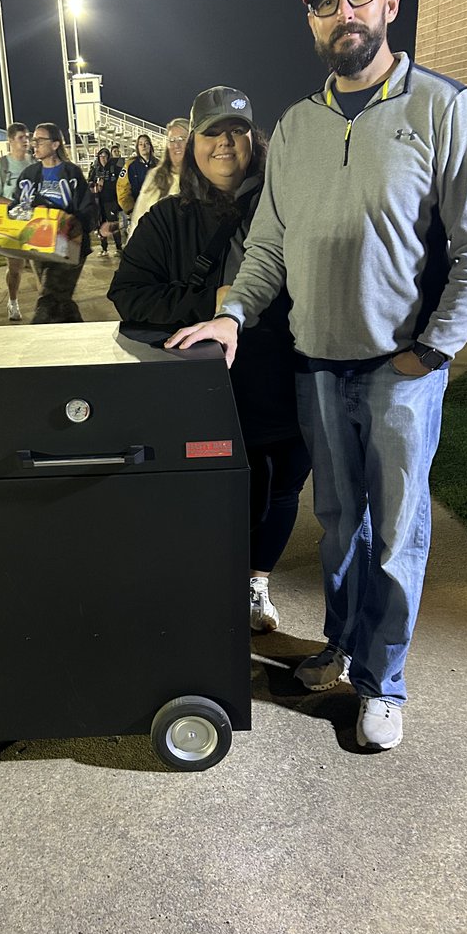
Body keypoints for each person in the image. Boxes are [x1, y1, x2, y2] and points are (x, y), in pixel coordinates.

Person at [166, 0, 467, 751]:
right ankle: (345, 648)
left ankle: (384, 681)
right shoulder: (294, 128)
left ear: (391, 4)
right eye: (327, 1)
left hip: (400, 370)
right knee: (338, 521)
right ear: (311, 21)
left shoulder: (443, 105)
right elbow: (270, 246)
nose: (343, 13)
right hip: (317, 364)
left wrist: (434, 349)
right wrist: (234, 314)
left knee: (396, 533)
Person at [109, 87, 309, 632]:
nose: (224, 144)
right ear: (190, 145)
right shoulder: (166, 220)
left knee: (280, 487)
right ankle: (201, 581)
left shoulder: (291, 208)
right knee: (205, 488)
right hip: (199, 392)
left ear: (255, 140)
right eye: (211, 133)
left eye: (236, 131)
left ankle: (255, 583)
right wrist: (211, 302)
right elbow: (129, 297)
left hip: (281, 379)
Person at [18, 122, 96, 323]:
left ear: (55, 145)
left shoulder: (72, 173)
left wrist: (65, 221)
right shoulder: (29, 175)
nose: (34, 144)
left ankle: (35, 339)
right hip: (39, 245)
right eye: (33, 140)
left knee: (48, 298)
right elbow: (18, 206)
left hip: (68, 245)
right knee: (60, 298)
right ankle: (78, 330)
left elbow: (86, 209)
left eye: (40, 140)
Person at [0, 121, 35, 321]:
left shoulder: (34, 163)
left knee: (40, 266)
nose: (26, 141)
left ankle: (47, 303)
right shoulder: (1, 166)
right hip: (12, 223)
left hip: (34, 222)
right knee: (16, 267)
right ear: (11, 141)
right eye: (21, 137)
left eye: (27, 137)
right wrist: (15, 203)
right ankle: (13, 302)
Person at [127, 118, 189, 238]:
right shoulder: (155, 177)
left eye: (182, 139)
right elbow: (138, 220)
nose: (176, 145)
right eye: (172, 140)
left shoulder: (203, 178)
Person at [88, 148, 122, 256]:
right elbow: (89, 182)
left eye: (105, 156)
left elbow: (120, 182)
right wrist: (95, 186)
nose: (103, 158)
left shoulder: (113, 168)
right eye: (101, 156)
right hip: (99, 202)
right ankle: (104, 249)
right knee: (101, 225)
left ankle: (119, 248)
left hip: (111, 201)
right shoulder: (95, 169)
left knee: (113, 224)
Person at [116, 134, 157, 219]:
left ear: (151, 146)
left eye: (146, 143)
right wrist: (131, 209)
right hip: (138, 212)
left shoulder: (159, 164)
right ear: (137, 147)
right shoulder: (130, 165)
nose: (144, 146)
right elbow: (122, 189)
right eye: (140, 144)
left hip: (157, 211)